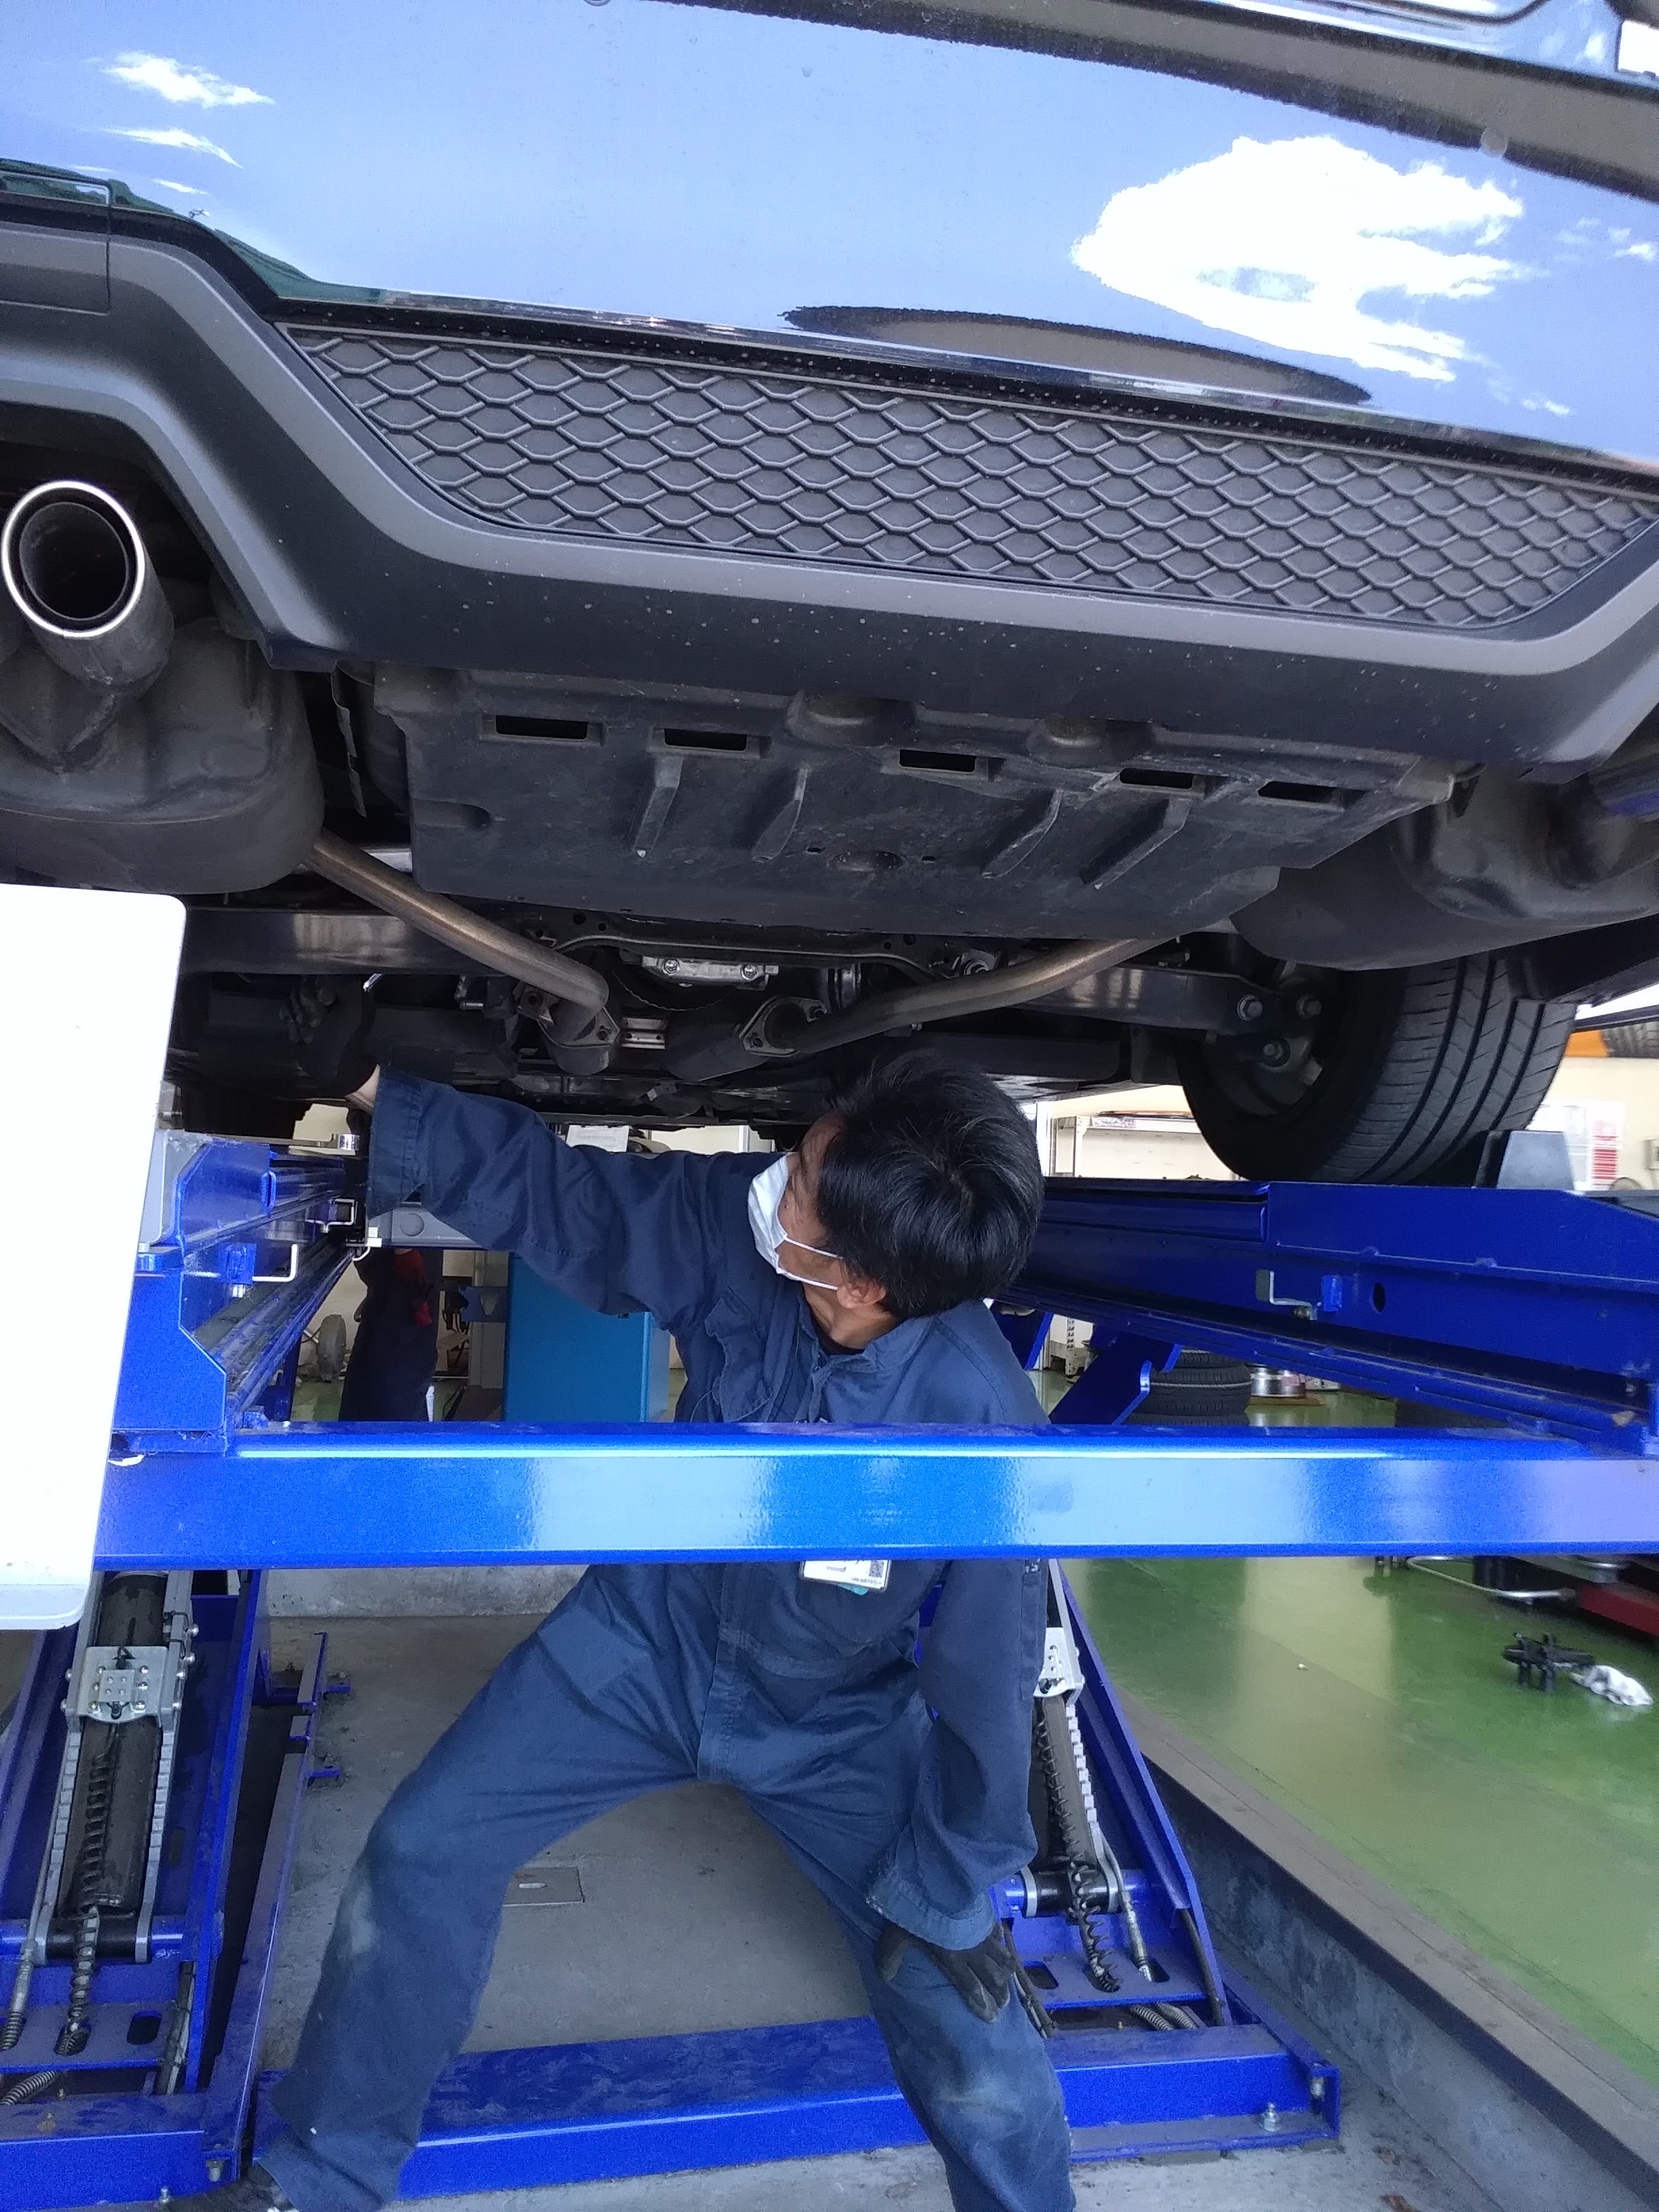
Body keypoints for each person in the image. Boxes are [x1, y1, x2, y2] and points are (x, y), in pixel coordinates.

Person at [177, 1050, 1072, 2212]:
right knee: (423, 1850)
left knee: (957, 1990)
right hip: (642, 1643)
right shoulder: (743, 1236)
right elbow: (574, 1197)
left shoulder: (979, 1418)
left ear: (857, 1280)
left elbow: (988, 1670)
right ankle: (319, 2177)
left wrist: (953, 1874)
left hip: (829, 1714)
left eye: (801, 1180)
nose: (776, 1178)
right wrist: (371, 1087)